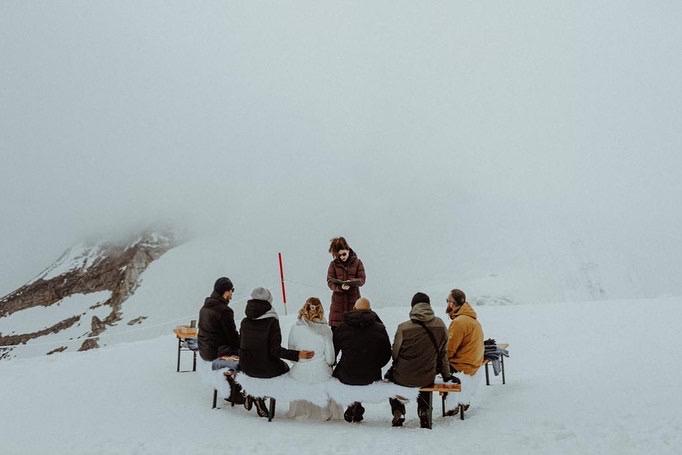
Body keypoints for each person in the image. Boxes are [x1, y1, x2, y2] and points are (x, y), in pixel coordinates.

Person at [239, 287, 314, 417]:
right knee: (284, 369)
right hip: (265, 368)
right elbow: (275, 351)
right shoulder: (271, 321)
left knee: (259, 368)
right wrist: (297, 355)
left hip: (246, 366)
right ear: (269, 302)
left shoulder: (244, 321)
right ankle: (259, 397)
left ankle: (253, 394)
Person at [388, 292, 450, 428]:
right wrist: (446, 375)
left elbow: (395, 354)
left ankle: (398, 410)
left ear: (412, 307)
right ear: (428, 305)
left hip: (403, 376)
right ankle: (424, 411)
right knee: (425, 376)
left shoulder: (403, 328)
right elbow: (443, 353)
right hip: (427, 375)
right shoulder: (440, 324)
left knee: (390, 381)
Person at [332, 297, 391, 423]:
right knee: (361, 377)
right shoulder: (379, 328)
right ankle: (356, 404)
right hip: (371, 374)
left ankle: (354, 403)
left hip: (346, 373)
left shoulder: (342, 327)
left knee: (348, 375)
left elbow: (334, 351)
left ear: (354, 309)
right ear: (370, 311)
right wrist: (376, 365)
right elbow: (387, 353)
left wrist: (335, 364)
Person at [287, 297, 343, 420]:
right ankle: (324, 411)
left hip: (300, 372)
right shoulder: (325, 330)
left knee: (299, 375)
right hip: (320, 372)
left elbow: (291, 355)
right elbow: (330, 359)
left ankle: (301, 411)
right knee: (325, 376)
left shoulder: (295, 327)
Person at [197, 277, 245, 405]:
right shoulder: (224, 311)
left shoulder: (205, 307)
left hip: (204, 350)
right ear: (225, 291)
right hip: (215, 352)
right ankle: (235, 390)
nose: (232, 294)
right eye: (231, 290)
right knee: (248, 353)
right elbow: (232, 337)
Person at [444, 289, 484, 415]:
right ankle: (459, 401)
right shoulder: (473, 320)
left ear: (453, 304)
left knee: (432, 368)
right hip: (474, 363)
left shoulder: (459, 322)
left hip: (462, 366)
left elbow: (449, 350)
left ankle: (451, 404)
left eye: (448, 301)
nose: (447, 304)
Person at [326, 237, 366, 330]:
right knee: (337, 335)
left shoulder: (358, 263)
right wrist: (340, 288)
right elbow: (330, 281)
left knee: (354, 334)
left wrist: (351, 283)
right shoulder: (333, 264)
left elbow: (362, 279)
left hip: (354, 302)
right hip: (338, 306)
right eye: (339, 255)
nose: (342, 257)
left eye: (344, 254)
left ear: (348, 250)